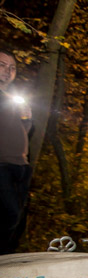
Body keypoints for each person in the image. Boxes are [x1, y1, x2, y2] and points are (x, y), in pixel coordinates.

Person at [0, 49, 32, 254]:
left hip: (20, 166)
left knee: (18, 218)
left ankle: (6, 265)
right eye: (2, 65)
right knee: (10, 214)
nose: (7, 71)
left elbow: (23, 131)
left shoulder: (12, 96)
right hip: (1, 164)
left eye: (12, 67)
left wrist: (27, 119)